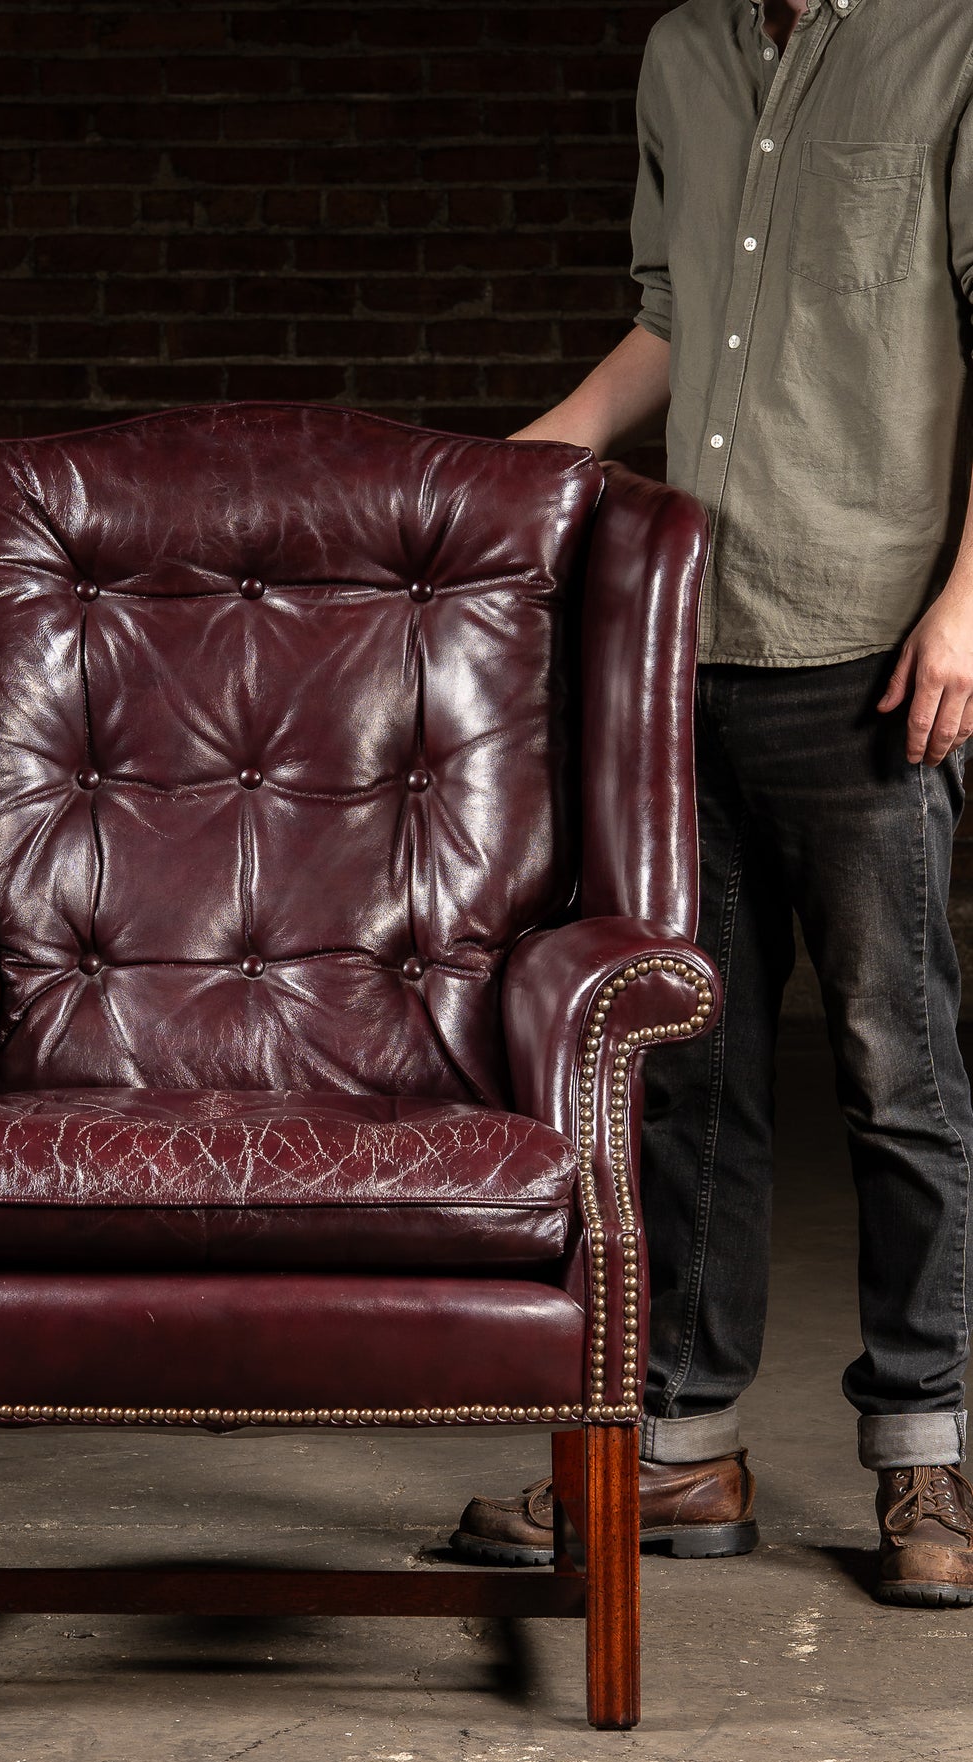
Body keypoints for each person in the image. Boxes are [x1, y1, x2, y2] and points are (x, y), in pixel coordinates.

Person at [451, 0, 973, 1602]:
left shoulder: (954, 41)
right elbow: (676, 320)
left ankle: (931, 1468)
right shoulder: (684, 51)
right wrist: (534, 459)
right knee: (691, 1072)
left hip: (875, 637)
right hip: (687, 639)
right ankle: (682, 1452)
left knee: (898, 1072)